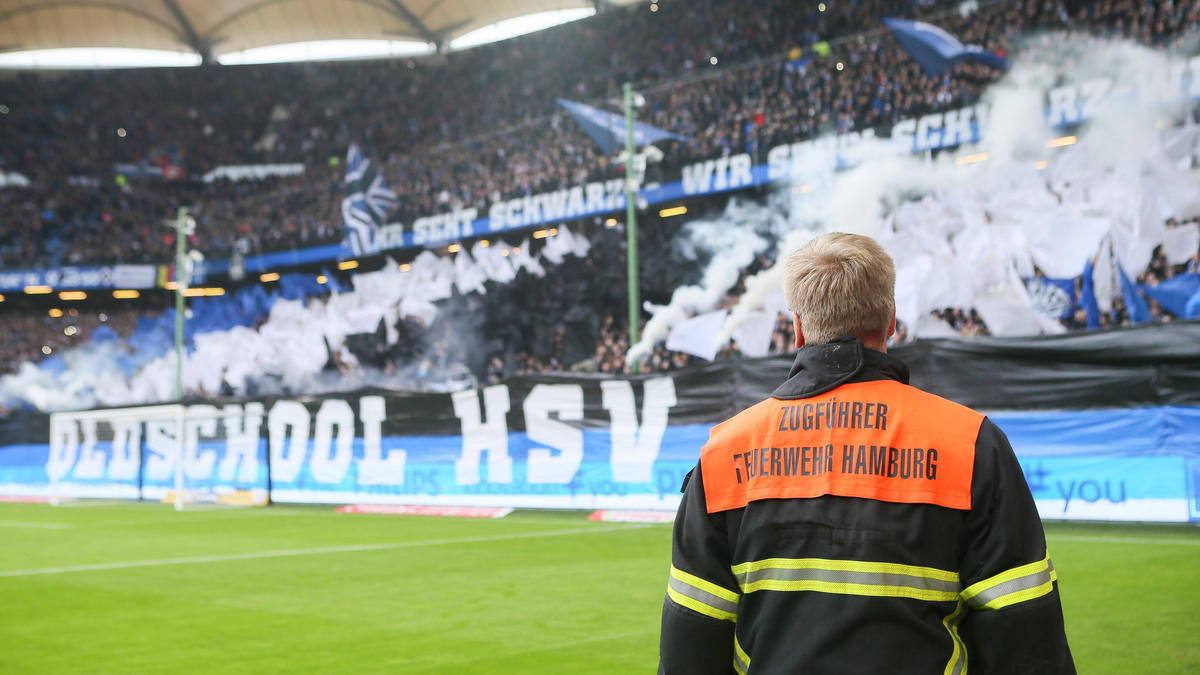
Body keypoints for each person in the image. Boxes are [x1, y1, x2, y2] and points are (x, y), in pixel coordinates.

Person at [658, 233, 1074, 674]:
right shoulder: (972, 442)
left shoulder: (724, 451)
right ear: (891, 319)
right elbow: (1024, 636)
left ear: (797, 327)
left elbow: (692, 640)